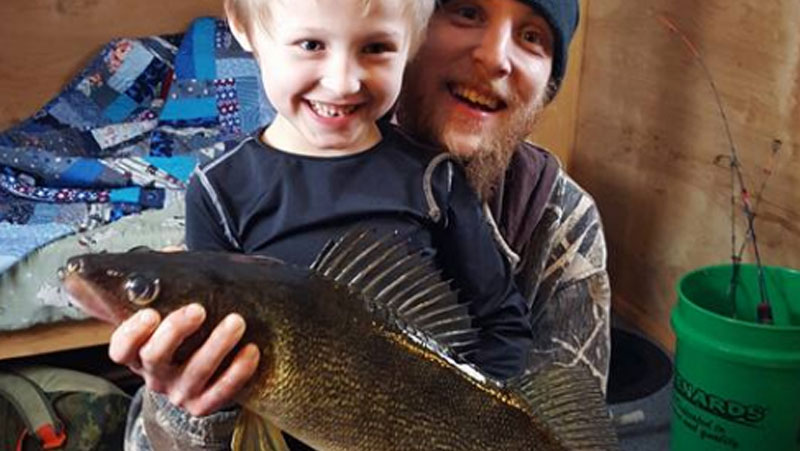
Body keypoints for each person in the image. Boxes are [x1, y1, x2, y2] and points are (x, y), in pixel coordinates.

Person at [117, 0, 611, 448]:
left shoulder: (562, 220)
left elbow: (561, 414)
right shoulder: (224, 192)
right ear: (420, 26)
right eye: (467, 11)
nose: (495, 57)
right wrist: (190, 401)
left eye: (532, 37)